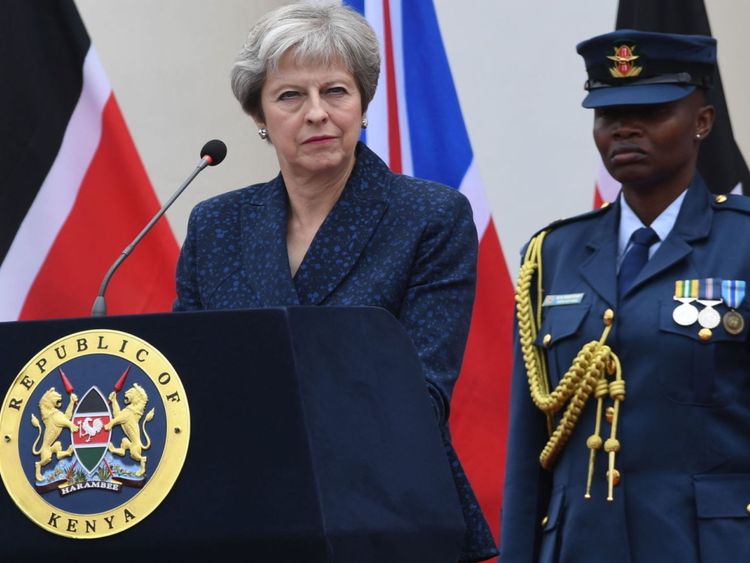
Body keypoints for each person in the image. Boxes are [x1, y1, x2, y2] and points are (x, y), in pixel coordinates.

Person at [173, 3, 497, 561]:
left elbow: (420, 397)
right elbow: (186, 378)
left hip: (387, 515)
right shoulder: (217, 224)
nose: (317, 113)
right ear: (259, 116)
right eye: (290, 96)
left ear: (363, 103)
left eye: (336, 92)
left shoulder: (428, 216)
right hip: (245, 516)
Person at [501, 29, 750, 563]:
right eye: (608, 115)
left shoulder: (742, 244)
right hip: (577, 546)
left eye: (651, 111)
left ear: (702, 122)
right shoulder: (552, 255)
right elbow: (528, 452)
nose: (625, 130)